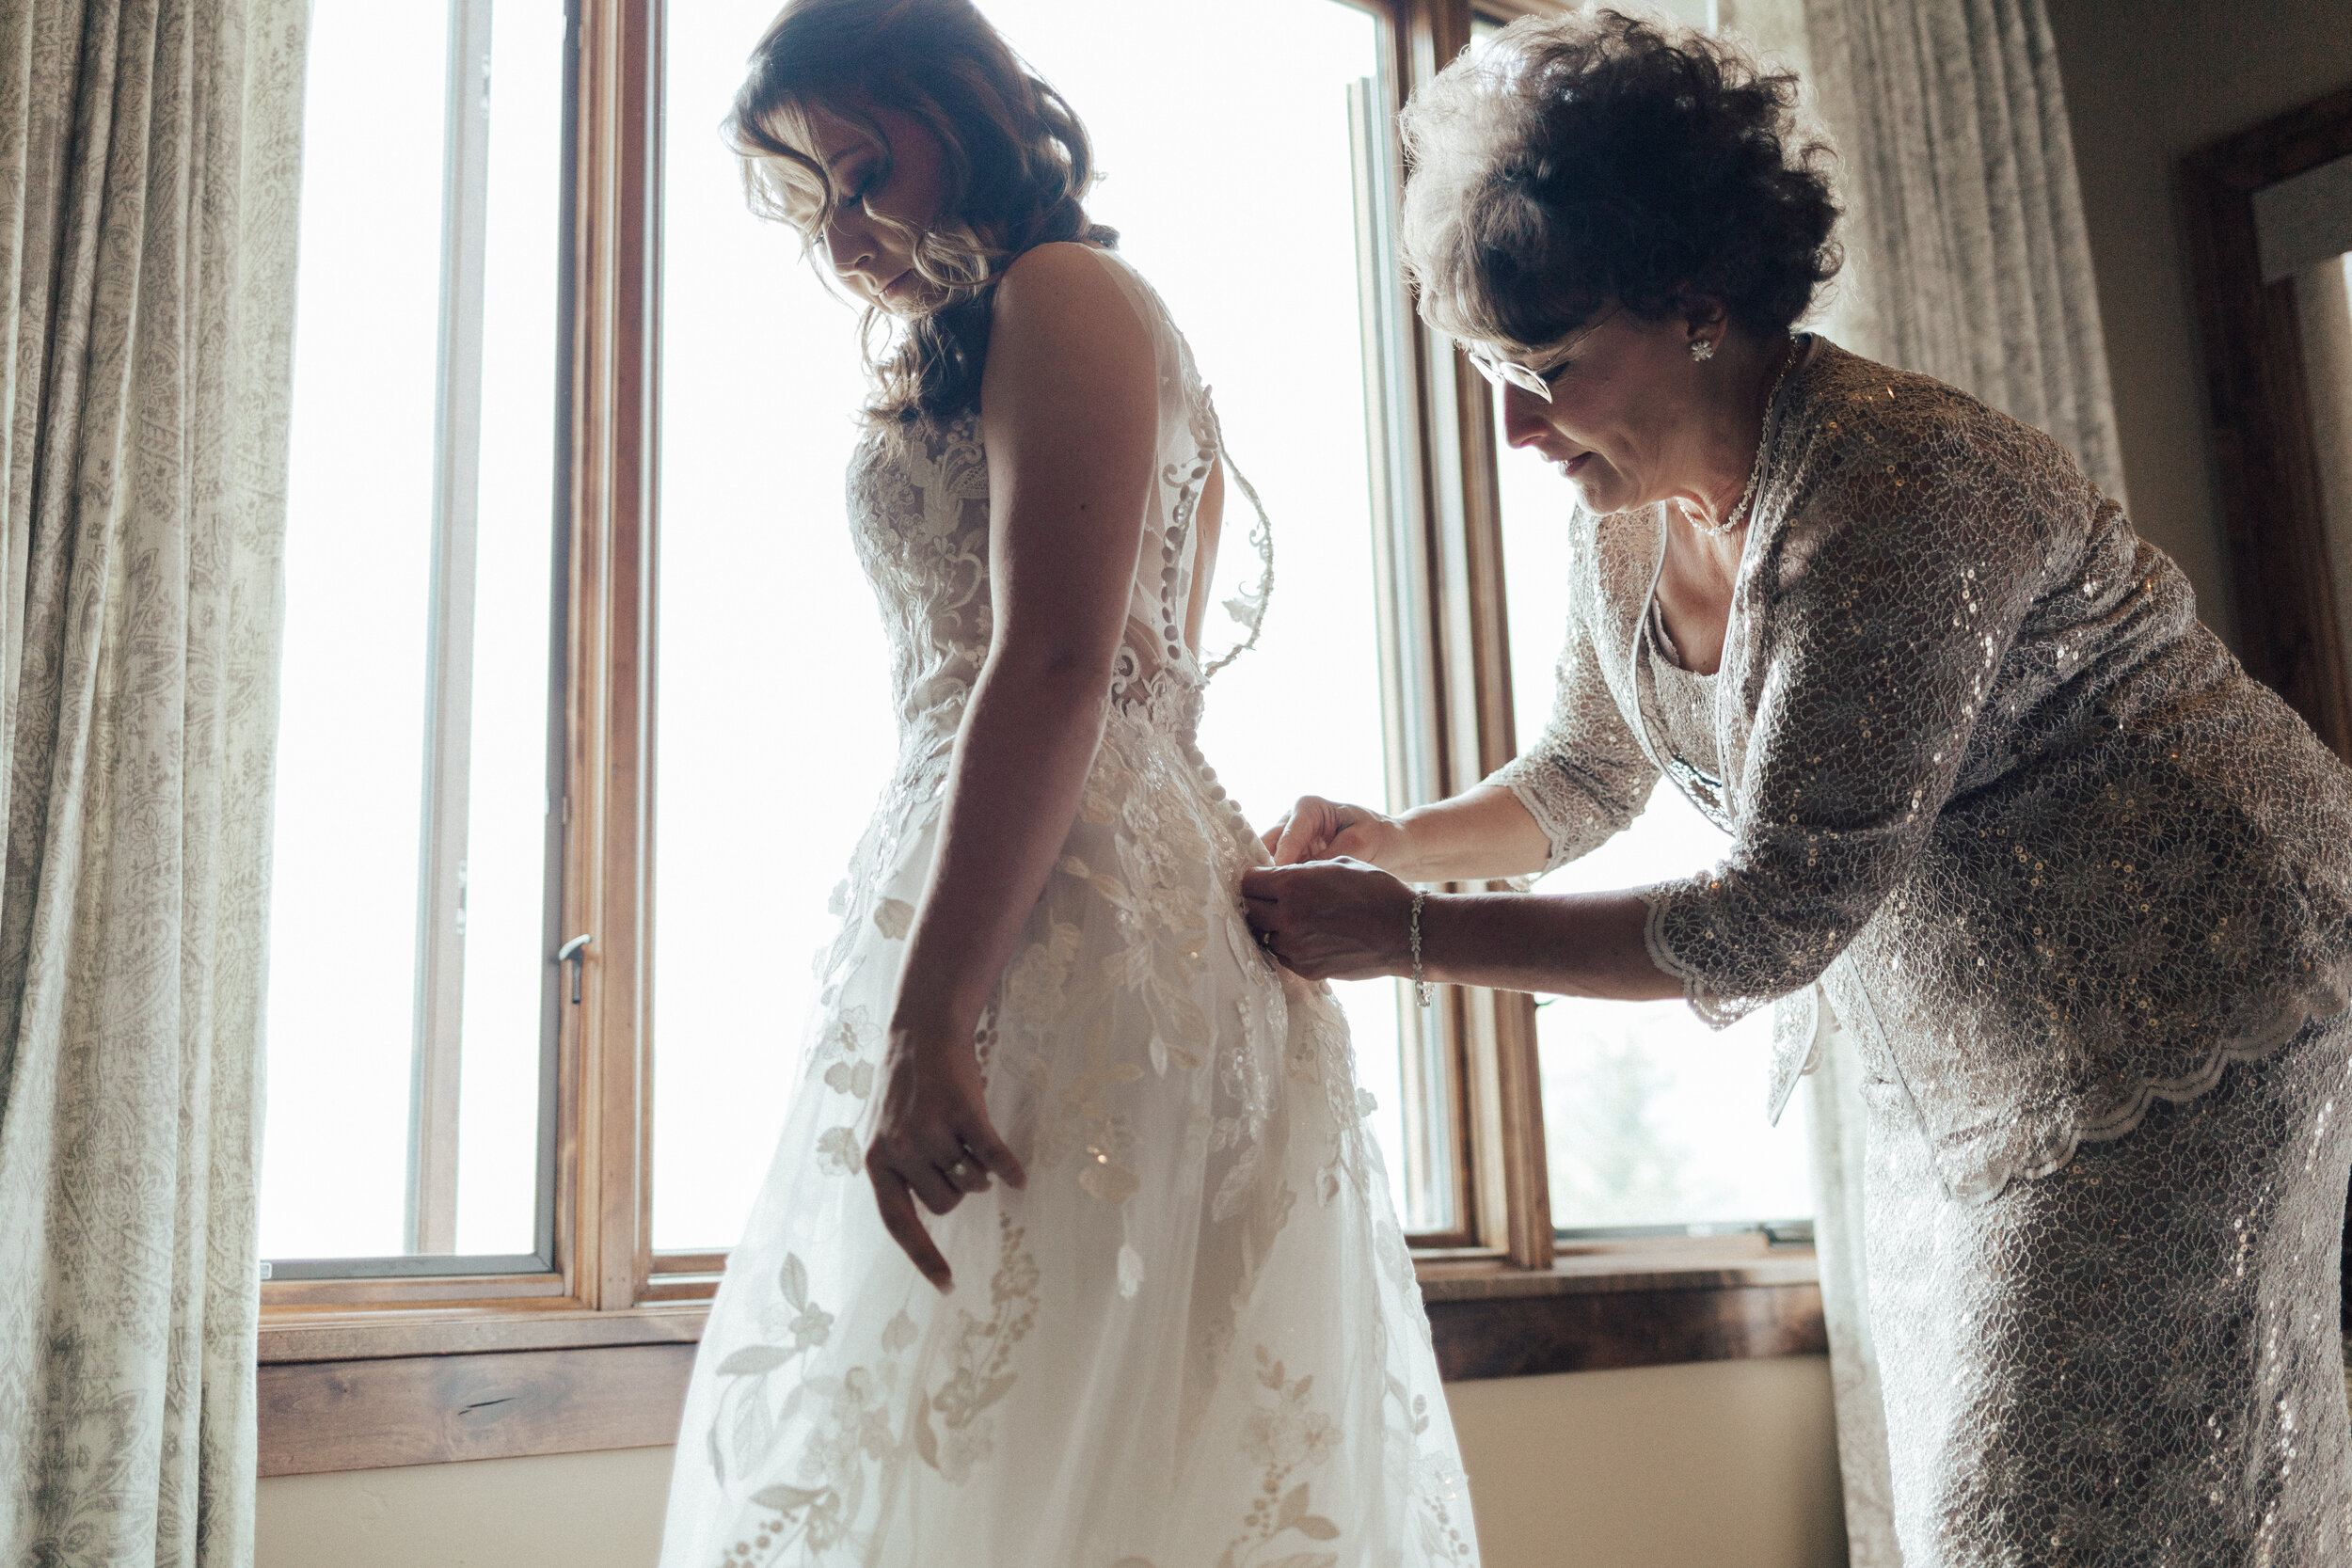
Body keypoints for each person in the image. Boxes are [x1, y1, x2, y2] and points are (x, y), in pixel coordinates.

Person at [1244, 9, 2352, 1565]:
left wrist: (1407, 939)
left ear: (1700, 306)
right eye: (1495, 365)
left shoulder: (1899, 490)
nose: (1513, 423)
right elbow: (1585, 773)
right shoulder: (1626, 510)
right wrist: (1400, 841)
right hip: (1967, 1056)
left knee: (2037, 1528)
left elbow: (1768, 918)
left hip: (2201, 1007)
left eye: (1550, 366)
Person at [655, 3, 1479, 1564]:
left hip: (1071, 920)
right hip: (1009, 875)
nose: (841, 237)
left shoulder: (1069, 293)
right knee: (970, 1421)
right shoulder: (1021, 323)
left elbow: (1061, 667)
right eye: (811, 201)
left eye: (859, 169)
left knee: (1052, 1422)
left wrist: (931, 1013)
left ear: (956, 104)